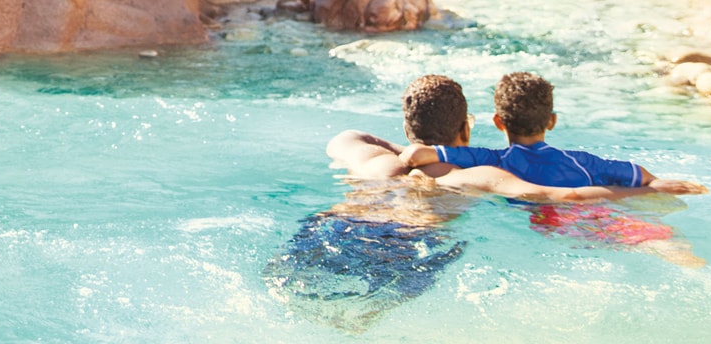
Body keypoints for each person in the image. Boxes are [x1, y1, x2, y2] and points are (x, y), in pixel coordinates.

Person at [268, 75, 650, 329]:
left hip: (335, 226)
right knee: (355, 324)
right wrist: (647, 191)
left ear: (406, 128)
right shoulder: (474, 175)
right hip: (403, 245)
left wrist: (410, 150)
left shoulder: (370, 161)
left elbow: (350, 135)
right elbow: (560, 197)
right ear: (466, 128)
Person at [395, 71, 708, 267]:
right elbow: (637, 174)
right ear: (552, 121)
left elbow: (417, 155)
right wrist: (656, 184)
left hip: (548, 218)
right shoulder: (582, 161)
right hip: (597, 211)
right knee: (652, 237)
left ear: (498, 122)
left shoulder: (491, 160)